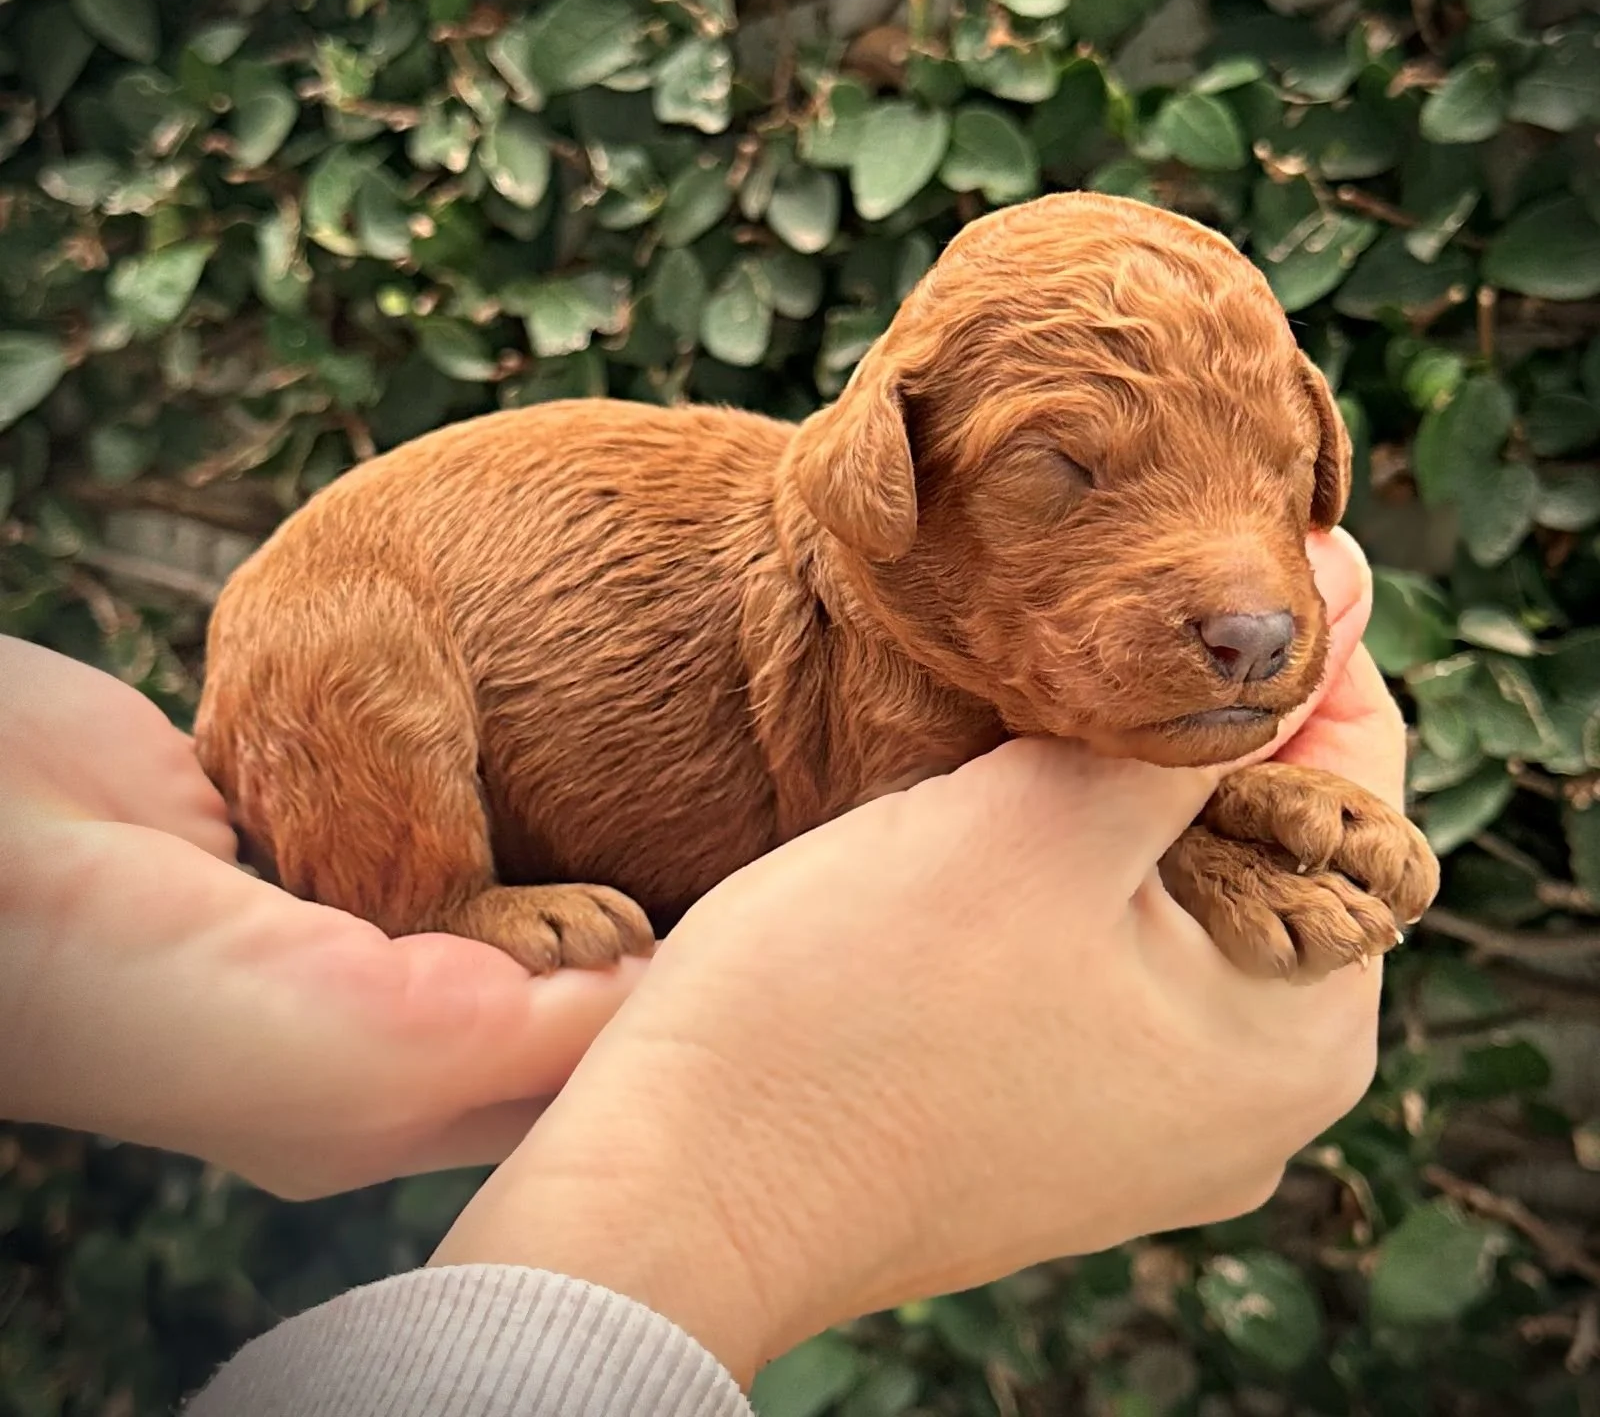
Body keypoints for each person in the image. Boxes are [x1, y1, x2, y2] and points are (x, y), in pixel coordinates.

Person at [1, 528, 1405, 1416]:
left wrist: (1233, 809)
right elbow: (957, 832)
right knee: (360, 669)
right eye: (1062, 478)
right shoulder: (868, 622)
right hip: (356, 659)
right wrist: (723, 1213)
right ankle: (439, 889)